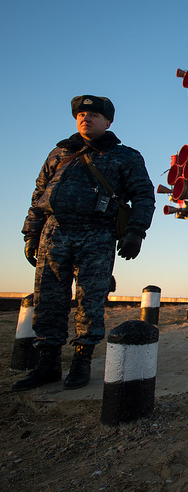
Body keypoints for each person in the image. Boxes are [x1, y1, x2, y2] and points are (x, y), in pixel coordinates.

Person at [14, 95, 155, 392]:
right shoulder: (59, 153)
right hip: (54, 233)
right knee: (48, 300)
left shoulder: (125, 157)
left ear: (108, 122)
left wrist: (136, 232)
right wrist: (31, 234)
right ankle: (48, 363)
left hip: (96, 234)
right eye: (80, 114)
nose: (85, 118)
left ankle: (81, 361)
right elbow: (39, 196)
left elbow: (143, 195)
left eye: (93, 115)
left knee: (90, 301)